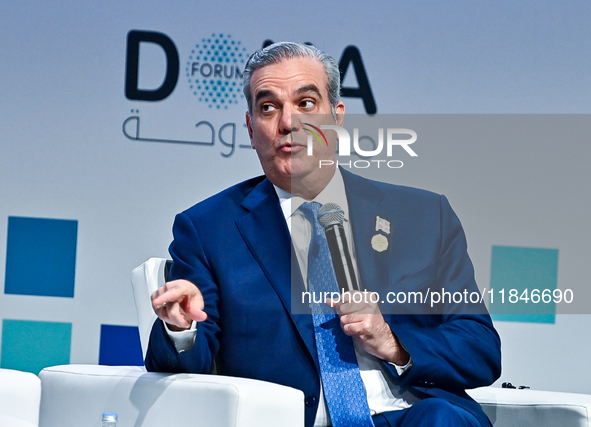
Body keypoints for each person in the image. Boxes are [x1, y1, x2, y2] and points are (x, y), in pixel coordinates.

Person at [145, 42, 501, 427]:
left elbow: (479, 348)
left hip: (416, 416)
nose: (288, 123)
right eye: (268, 107)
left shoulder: (424, 217)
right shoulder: (209, 229)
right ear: (250, 129)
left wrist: (394, 343)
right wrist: (182, 328)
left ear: (337, 117)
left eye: (307, 103)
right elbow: (186, 367)